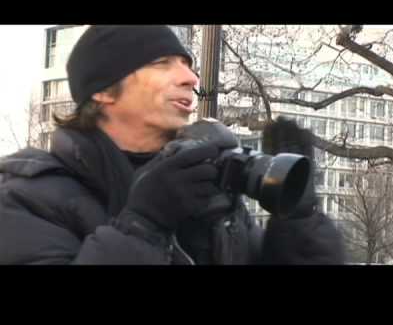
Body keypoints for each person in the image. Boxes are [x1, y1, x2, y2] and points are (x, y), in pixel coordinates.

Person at [0, 25, 344, 264]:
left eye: (188, 65)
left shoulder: (209, 189)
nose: (190, 78)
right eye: (161, 63)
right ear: (103, 90)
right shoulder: (25, 198)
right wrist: (144, 224)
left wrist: (298, 214)